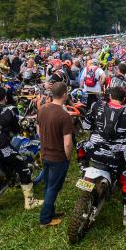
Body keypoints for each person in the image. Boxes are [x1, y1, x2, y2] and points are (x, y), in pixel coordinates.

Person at [83, 82, 126, 226]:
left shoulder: (97, 105)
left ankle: (82, 170)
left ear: (109, 96)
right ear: (124, 99)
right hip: (114, 157)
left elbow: (85, 126)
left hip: (92, 151)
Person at [36, 81, 75, 227]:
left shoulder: (42, 109)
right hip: (58, 158)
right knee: (53, 188)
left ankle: (50, 211)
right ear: (64, 95)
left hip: (45, 154)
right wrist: (68, 157)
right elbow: (67, 143)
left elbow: (39, 132)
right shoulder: (64, 116)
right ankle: (45, 219)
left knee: (48, 185)